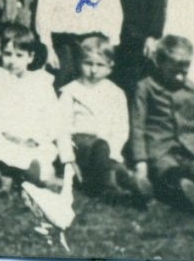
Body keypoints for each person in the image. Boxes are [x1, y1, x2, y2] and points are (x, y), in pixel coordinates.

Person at [131, 35, 194, 214]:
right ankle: (192, 199)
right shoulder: (145, 88)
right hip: (160, 151)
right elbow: (137, 126)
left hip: (191, 151)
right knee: (171, 177)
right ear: (159, 63)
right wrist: (140, 160)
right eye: (173, 72)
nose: (180, 77)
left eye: (184, 72)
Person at [0, 24, 70, 194]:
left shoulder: (41, 82)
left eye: (19, 55)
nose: (12, 60)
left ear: (30, 57)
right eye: (8, 54)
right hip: (1, 134)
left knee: (35, 158)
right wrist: (3, 133)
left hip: (29, 137)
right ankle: (4, 179)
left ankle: (27, 178)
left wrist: (34, 139)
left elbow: (54, 119)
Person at [60, 34, 141, 201]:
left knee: (115, 165)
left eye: (100, 65)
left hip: (106, 148)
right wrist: (67, 158)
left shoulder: (116, 93)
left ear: (110, 67)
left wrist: (113, 152)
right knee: (100, 149)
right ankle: (108, 189)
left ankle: (134, 186)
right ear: (79, 63)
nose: (93, 70)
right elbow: (61, 128)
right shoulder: (70, 91)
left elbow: (121, 128)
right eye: (88, 63)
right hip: (80, 145)